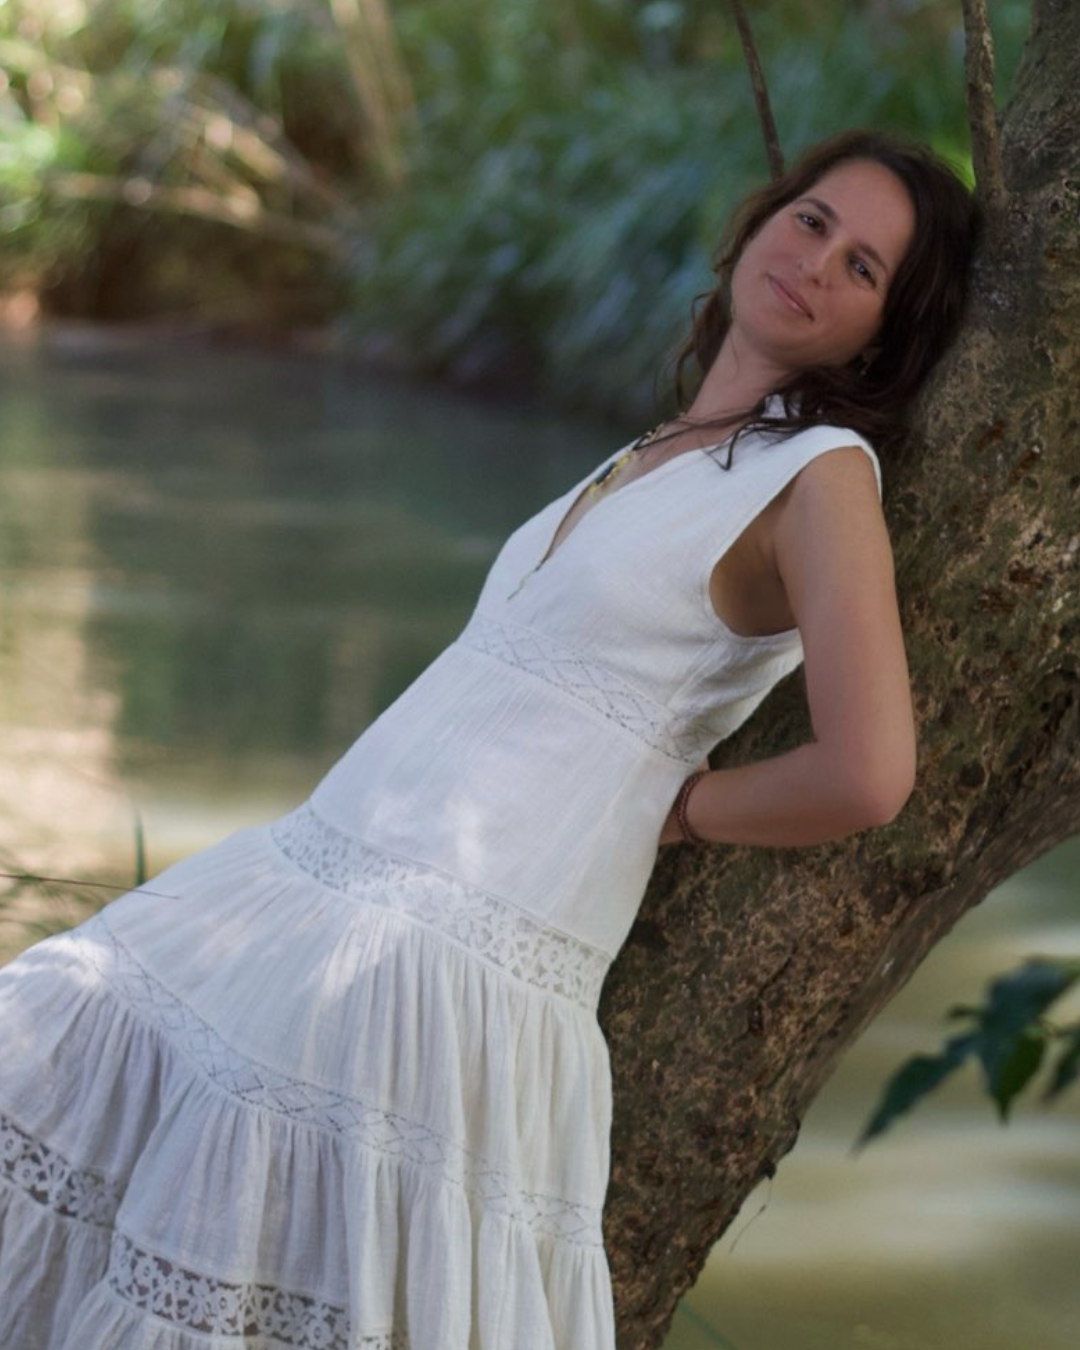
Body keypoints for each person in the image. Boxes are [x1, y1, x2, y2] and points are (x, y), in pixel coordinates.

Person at [0, 129, 977, 1350]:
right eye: (814, 221)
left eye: (867, 268)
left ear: (882, 335)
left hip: (446, 951)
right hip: (321, 882)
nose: (818, 263)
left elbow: (871, 771)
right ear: (765, 218)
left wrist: (681, 807)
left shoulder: (820, 472)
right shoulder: (656, 452)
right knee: (45, 1043)